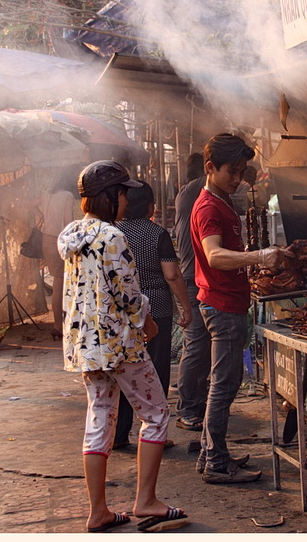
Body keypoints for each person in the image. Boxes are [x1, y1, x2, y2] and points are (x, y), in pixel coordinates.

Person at [58, 160, 187, 533]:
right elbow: (129, 295)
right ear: (110, 196)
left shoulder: (71, 235)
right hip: (120, 344)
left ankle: (98, 511)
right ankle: (146, 501)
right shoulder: (113, 238)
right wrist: (147, 322)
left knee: (100, 419)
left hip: (86, 346)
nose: (126, 202)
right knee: (157, 415)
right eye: (122, 194)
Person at [191, 134, 291, 484]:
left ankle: (210, 453)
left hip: (225, 301)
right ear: (210, 168)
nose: (238, 179)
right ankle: (217, 462)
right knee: (224, 383)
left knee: (224, 382)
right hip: (222, 305)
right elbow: (214, 255)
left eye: (242, 171)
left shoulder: (221, 201)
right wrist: (258, 256)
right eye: (232, 172)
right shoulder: (208, 208)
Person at [113, 182, 193, 449]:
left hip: (123, 308)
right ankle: (155, 434)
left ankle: (119, 434)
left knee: (124, 370)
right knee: (155, 371)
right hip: (156, 308)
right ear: (150, 206)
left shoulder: (114, 232)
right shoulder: (157, 233)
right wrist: (185, 306)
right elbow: (172, 274)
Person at [174, 153, 209, 431]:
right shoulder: (192, 192)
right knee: (196, 345)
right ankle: (187, 408)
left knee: (203, 345)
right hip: (192, 278)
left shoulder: (189, 194)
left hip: (199, 277)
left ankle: (196, 402)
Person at [37, 174, 79, 339]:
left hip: (46, 239)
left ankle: (58, 324)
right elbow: (69, 221)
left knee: (57, 281)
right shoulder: (67, 196)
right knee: (63, 283)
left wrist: (43, 216)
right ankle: (60, 325)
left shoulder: (46, 193)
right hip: (62, 239)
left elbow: (28, 204)